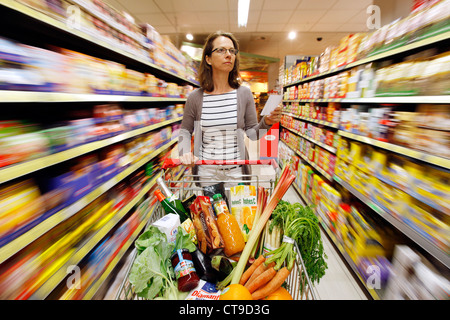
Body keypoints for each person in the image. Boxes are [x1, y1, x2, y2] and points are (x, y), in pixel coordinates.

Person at [178, 30, 281, 186]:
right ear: (208, 59)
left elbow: (253, 134)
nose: (228, 55)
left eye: (232, 51)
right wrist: (184, 152)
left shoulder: (244, 93)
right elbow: (185, 132)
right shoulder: (195, 97)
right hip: (207, 174)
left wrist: (267, 122)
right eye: (221, 50)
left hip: (236, 174)